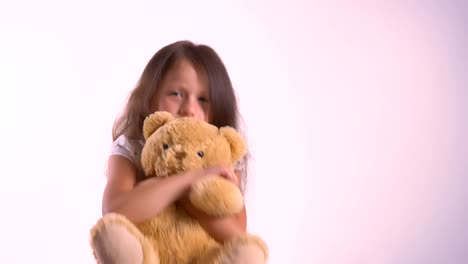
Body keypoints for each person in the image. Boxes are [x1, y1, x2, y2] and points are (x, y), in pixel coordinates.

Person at [92, 40, 264, 263]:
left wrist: (184, 195)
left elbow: (236, 234)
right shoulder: (132, 146)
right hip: (150, 254)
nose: (190, 109)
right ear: (150, 96)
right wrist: (189, 179)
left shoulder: (222, 156)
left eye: (203, 99)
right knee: (117, 243)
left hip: (199, 257)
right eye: (176, 94)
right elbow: (116, 211)